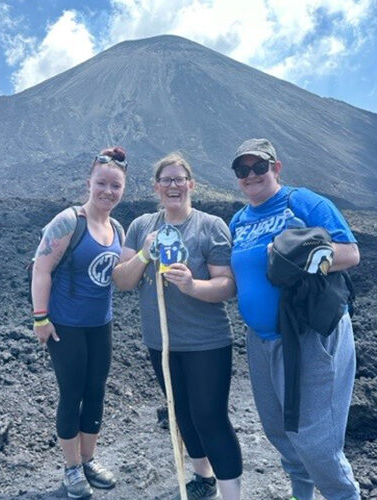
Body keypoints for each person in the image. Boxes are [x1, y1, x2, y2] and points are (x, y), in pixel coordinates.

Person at [229, 138, 361, 500]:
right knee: (280, 431)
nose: (252, 175)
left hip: (308, 335)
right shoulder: (239, 220)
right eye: (243, 170)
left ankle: (344, 495)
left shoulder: (302, 203)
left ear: (277, 167)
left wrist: (301, 254)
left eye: (260, 167)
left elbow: (350, 253)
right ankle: (301, 494)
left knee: (315, 439)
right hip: (261, 340)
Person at [113, 152, 243, 500]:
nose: (173, 185)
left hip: (207, 342)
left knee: (210, 417)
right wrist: (143, 254)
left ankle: (232, 495)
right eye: (166, 179)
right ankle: (205, 479)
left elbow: (227, 286)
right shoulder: (142, 226)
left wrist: (192, 286)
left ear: (191, 184)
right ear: (157, 187)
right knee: (181, 412)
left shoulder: (210, 226)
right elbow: (122, 281)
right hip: (162, 342)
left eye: (179, 179)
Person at [31, 147, 127, 499]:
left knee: (96, 393)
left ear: (123, 189)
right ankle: (72, 469)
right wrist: (41, 318)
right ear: (89, 183)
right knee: (72, 394)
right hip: (66, 326)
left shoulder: (117, 227)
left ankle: (88, 461)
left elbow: (120, 274)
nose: (108, 191)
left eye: (115, 185)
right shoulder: (69, 221)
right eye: (101, 183)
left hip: (101, 324)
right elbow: (41, 268)